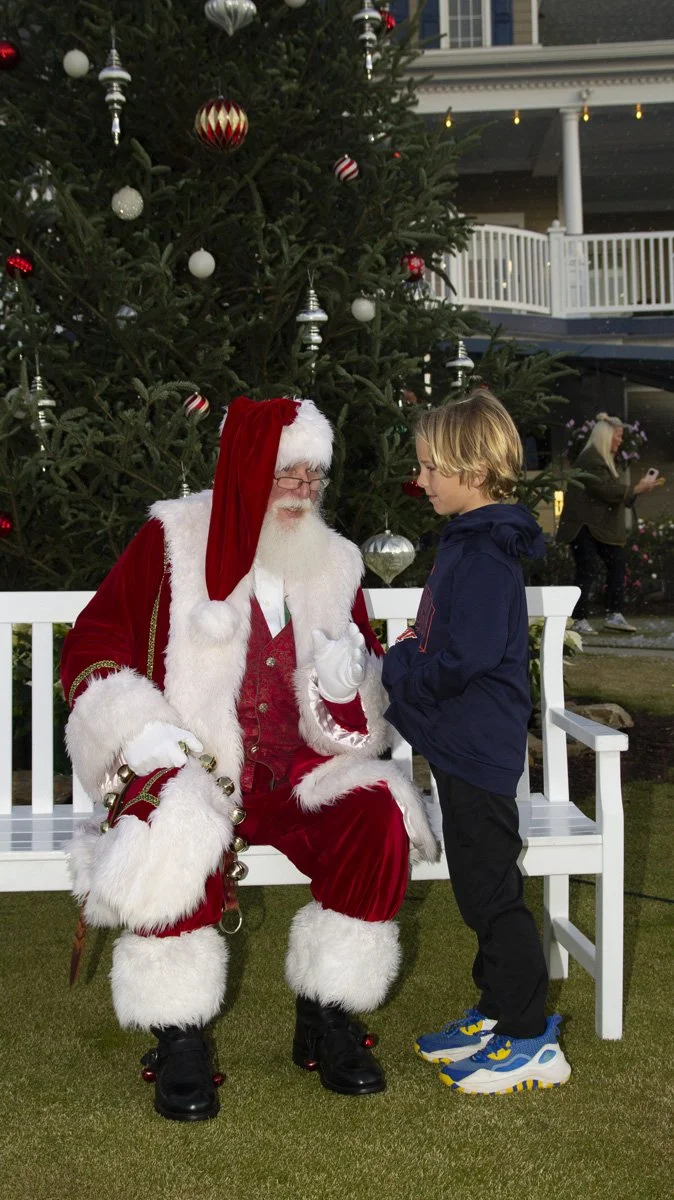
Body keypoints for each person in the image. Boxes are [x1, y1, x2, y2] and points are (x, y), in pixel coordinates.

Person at [61, 394, 436, 1122]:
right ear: (245, 470)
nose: (302, 490)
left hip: (299, 775)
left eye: (313, 476)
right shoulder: (172, 540)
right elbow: (92, 644)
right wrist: (141, 732)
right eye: (286, 473)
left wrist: (346, 686)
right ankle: (178, 1036)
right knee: (175, 819)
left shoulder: (334, 563)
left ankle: (328, 1014)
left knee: (375, 814)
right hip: (197, 767)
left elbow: (363, 709)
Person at [381, 388, 572, 1095]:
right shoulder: (469, 541)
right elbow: (444, 639)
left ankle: (530, 1039)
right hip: (464, 749)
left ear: (471, 468)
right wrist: (411, 656)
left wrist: (401, 668)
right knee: (475, 888)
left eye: (431, 468)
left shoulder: (487, 555)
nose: (421, 480)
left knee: (493, 894)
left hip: (480, 751)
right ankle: (496, 1011)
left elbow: (462, 655)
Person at [556, 412, 661, 635]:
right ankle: (580, 617)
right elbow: (603, 490)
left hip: (595, 526)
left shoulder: (599, 459)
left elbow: (608, 493)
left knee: (614, 562)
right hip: (584, 526)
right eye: (618, 436)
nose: (621, 441)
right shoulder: (592, 460)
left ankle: (611, 614)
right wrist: (634, 489)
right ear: (607, 436)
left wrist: (636, 490)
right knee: (588, 569)